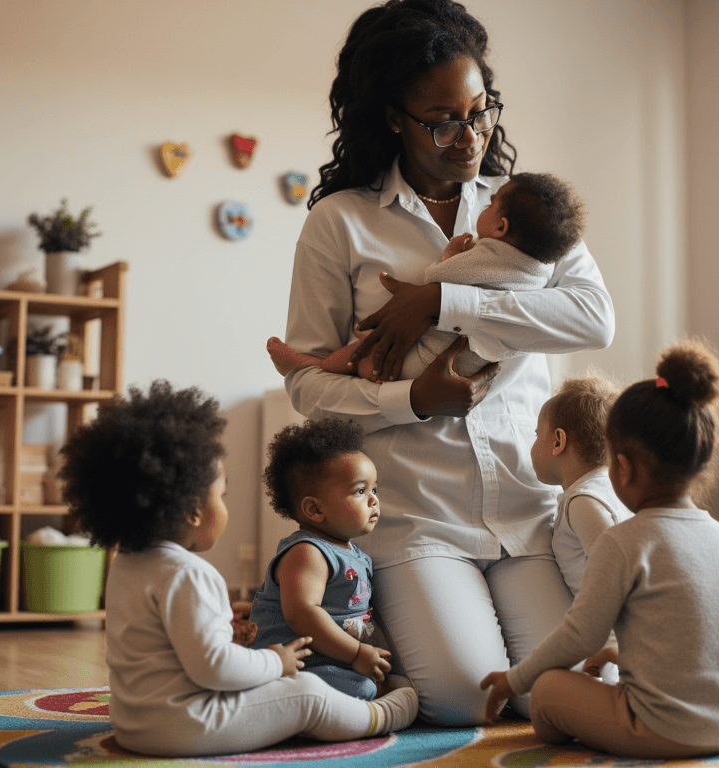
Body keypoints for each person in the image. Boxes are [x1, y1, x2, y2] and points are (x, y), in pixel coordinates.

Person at [279, 0, 614, 726]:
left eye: (480, 110)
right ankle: (379, 622)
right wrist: (414, 400)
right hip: (416, 517)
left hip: (527, 508)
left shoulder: (525, 208)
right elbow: (307, 385)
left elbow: (594, 318)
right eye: (443, 119)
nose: (471, 136)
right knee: (467, 698)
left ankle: (404, 629)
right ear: (393, 116)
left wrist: (440, 304)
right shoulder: (340, 222)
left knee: (541, 692)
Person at [59, 381, 418, 757]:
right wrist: (275, 661)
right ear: (193, 510)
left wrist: (225, 633)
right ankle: (378, 718)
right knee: (305, 693)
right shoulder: (189, 574)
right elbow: (214, 670)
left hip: (134, 724)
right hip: (188, 727)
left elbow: (167, 647)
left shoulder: (127, 564)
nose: (225, 505)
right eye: (222, 495)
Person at [480, 341, 719, 760]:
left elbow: (583, 635)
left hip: (660, 727)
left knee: (546, 689)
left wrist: (515, 680)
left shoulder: (623, 540)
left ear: (622, 468)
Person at [268, 172, 585, 382]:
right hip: (477, 362)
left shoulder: (491, 255)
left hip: (432, 362)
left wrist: (448, 260)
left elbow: (440, 279)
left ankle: (307, 363)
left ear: (501, 227)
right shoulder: (541, 263)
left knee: (363, 355)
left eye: (490, 205)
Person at [249, 418, 391, 700]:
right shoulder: (307, 552)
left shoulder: (355, 554)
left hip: (332, 661)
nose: (374, 500)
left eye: (374, 490)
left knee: (384, 682)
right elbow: (302, 613)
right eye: (360, 491)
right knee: (364, 689)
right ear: (315, 509)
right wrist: (357, 653)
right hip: (296, 666)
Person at [528, 375, 633, 680]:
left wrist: (614, 643)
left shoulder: (584, 502)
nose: (533, 445)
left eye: (537, 435)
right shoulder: (616, 488)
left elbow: (615, 572)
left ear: (558, 442)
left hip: (616, 635)